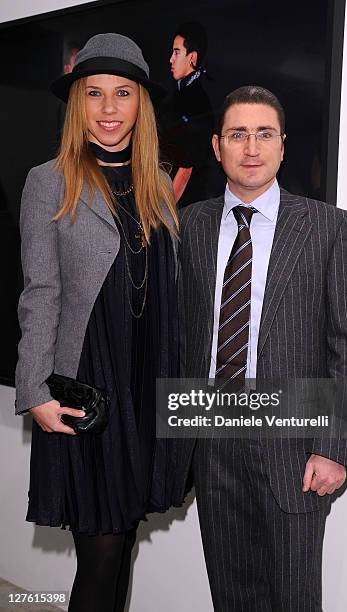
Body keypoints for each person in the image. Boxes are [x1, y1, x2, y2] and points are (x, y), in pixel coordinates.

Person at [173, 86, 347, 610]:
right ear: (218, 147)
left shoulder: (329, 227)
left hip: (295, 448)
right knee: (231, 594)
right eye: (238, 134)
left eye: (265, 134)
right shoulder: (189, 226)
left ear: (283, 145)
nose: (252, 147)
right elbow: (182, 337)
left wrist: (335, 447)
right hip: (213, 442)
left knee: (293, 596)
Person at [15, 33, 178, 612]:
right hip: (88, 392)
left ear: (141, 104)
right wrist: (33, 389)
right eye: (94, 94)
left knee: (122, 550)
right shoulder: (48, 182)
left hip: (141, 393)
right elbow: (40, 292)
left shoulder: (156, 187)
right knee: (101, 558)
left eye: (123, 94)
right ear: (77, 104)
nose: (109, 109)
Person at [162, 21, 216, 206]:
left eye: (177, 52)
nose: (171, 59)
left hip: (186, 206)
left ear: (192, 57)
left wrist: (163, 215)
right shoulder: (179, 96)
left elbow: (186, 169)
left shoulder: (196, 102)